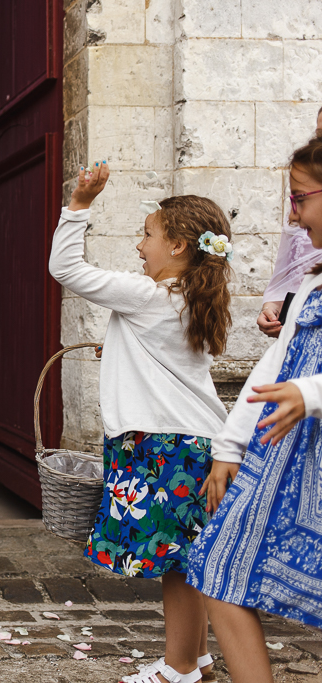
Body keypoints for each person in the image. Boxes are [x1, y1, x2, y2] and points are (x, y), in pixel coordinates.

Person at [49, 162, 233, 683]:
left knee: (176, 564)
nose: (139, 246)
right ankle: (195, 658)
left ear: (178, 246)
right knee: (187, 558)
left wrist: (79, 206)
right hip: (196, 442)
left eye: (147, 235)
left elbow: (66, 269)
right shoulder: (192, 300)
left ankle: (177, 669)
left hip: (163, 445)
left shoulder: (150, 297)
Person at [187, 137, 322, 683]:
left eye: (300, 199)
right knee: (220, 567)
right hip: (287, 465)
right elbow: (272, 367)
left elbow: (296, 384)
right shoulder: (312, 285)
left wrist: (310, 394)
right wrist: (228, 446)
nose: (293, 215)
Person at [256, 106, 322, 337]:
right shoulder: (305, 211)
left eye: (301, 200)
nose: (294, 216)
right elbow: (285, 273)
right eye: (319, 135)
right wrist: (273, 308)